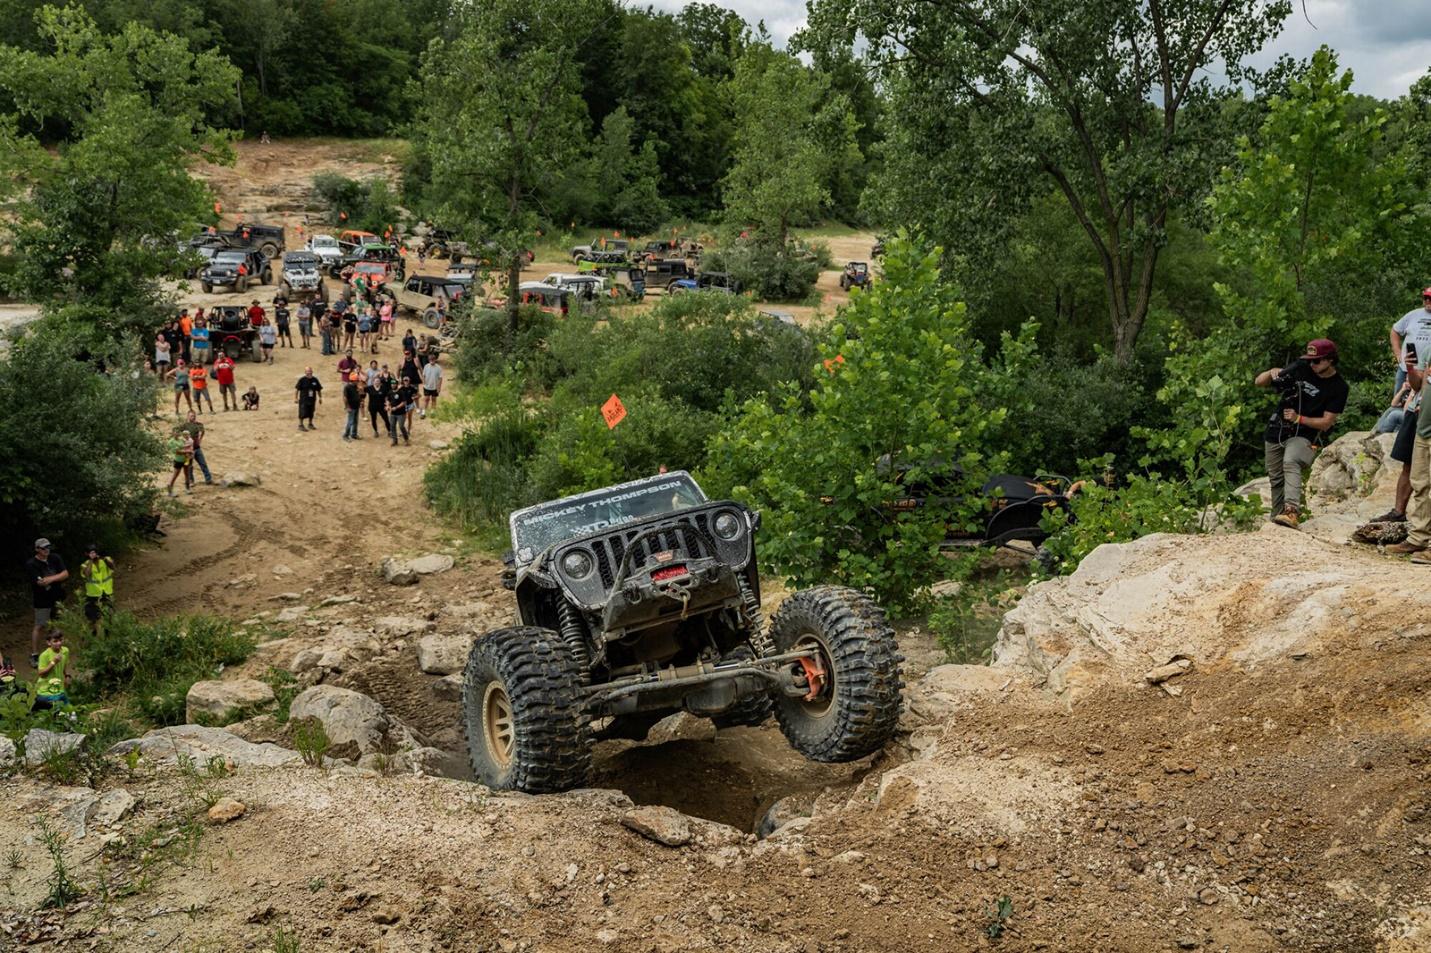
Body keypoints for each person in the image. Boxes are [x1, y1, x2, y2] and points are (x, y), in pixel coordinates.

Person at [1254, 338, 1349, 529]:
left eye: (1317, 361)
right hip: (1277, 429)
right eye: (1310, 360)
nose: (1312, 364)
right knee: (1275, 476)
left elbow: (1327, 422)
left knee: (1291, 461)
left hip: (1305, 433)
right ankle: (1279, 517)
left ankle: (1292, 511)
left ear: (1330, 360)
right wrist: (1271, 372)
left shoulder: (1339, 387)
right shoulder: (1301, 367)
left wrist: (1299, 419)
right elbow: (1259, 382)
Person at [26, 538, 68, 667]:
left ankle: (55, 649)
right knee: (39, 625)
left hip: (57, 597)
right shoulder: (31, 564)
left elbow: (65, 574)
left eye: (48, 547)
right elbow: (39, 582)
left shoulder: (55, 558)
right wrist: (55, 578)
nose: (47, 550)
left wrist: (50, 579)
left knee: (56, 624)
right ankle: (34, 654)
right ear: (37, 549)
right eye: (44, 548)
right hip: (42, 600)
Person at [1390, 288, 1431, 394]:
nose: (1427, 301)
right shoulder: (1413, 315)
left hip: (1427, 371)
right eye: (1425, 298)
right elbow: (1395, 330)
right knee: (1397, 404)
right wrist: (1398, 353)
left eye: (1430, 298)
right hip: (1406, 368)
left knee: (1420, 405)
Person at [79, 543, 115, 635]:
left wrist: (104, 558)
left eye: (94, 552)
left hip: (106, 593)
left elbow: (113, 567)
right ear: (86, 554)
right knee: (92, 619)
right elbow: (87, 574)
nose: (93, 554)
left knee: (109, 616)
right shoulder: (84, 565)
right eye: (91, 552)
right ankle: (93, 637)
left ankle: (108, 636)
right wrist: (91, 560)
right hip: (93, 595)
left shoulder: (105, 560)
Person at [34, 629, 69, 710]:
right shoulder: (44, 655)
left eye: (61, 640)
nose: (59, 643)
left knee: (70, 713)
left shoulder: (65, 651)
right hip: (46, 692)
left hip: (60, 690)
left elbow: (64, 665)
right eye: (55, 641)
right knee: (58, 714)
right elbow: (41, 674)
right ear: (49, 643)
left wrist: (66, 675)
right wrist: (53, 662)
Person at [178, 410, 214, 484]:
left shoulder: (198, 424)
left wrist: (200, 439)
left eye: (194, 416)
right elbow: (177, 432)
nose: (193, 417)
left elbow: (203, 431)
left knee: (203, 463)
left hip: (197, 447)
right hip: (188, 449)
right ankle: (191, 480)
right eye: (191, 416)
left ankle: (208, 479)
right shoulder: (185, 425)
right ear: (188, 416)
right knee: (189, 466)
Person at [388, 375, 415, 445]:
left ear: (397, 384)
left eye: (394, 384)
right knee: (392, 426)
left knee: (401, 426)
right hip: (393, 413)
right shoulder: (390, 392)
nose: (393, 385)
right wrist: (388, 406)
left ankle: (406, 439)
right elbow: (388, 400)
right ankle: (394, 440)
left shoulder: (401, 392)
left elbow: (404, 402)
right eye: (392, 384)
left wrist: (396, 407)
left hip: (401, 413)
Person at [166, 429, 195, 495]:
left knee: (187, 473)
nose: (177, 434)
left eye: (178, 432)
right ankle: (170, 489)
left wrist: (189, 451)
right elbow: (177, 452)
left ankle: (187, 489)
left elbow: (184, 447)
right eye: (175, 432)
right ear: (173, 433)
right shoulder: (171, 442)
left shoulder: (181, 440)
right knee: (175, 474)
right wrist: (188, 451)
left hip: (185, 459)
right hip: (178, 460)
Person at [295, 366, 323, 431]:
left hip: (312, 399)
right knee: (302, 412)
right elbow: (297, 390)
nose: (309, 372)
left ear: (312, 372)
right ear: (305, 372)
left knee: (311, 411)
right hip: (303, 399)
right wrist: (296, 398)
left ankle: (310, 424)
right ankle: (300, 425)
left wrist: (320, 398)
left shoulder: (315, 380)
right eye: (307, 371)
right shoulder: (302, 380)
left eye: (310, 371)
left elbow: (318, 390)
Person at [367, 368, 392, 437]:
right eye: (376, 381)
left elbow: (387, 397)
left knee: (386, 419)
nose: (377, 382)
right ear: (373, 382)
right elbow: (361, 391)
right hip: (372, 406)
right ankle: (375, 431)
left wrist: (387, 404)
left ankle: (389, 431)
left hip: (382, 406)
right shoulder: (370, 388)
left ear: (380, 382)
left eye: (378, 381)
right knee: (373, 419)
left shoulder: (383, 388)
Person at [342, 371, 364, 440]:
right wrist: (347, 407)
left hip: (356, 406)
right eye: (356, 380)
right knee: (350, 422)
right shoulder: (347, 387)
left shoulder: (356, 386)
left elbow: (359, 395)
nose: (358, 381)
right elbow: (345, 398)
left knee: (355, 421)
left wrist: (360, 401)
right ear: (353, 380)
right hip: (351, 407)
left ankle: (354, 434)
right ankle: (346, 435)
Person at [421, 351, 443, 417]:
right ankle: (423, 413)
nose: (432, 361)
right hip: (427, 387)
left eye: (433, 359)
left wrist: (439, 387)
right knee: (426, 399)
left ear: (435, 360)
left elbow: (440, 378)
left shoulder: (439, 368)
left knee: (434, 399)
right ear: (429, 360)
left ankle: (432, 412)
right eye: (430, 359)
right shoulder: (426, 366)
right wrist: (424, 382)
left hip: (434, 387)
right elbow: (423, 375)